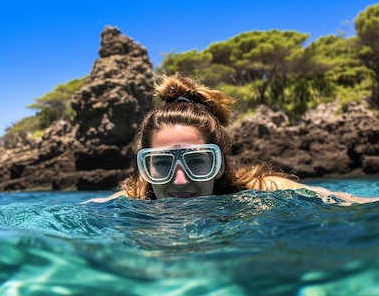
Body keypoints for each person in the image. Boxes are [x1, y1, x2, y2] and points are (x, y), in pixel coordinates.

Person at [89, 73, 378, 204]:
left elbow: (348, 200)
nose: (180, 180)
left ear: (220, 162)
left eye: (197, 161)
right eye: (162, 164)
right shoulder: (138, 196)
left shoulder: (260, 188)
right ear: (145, 169)